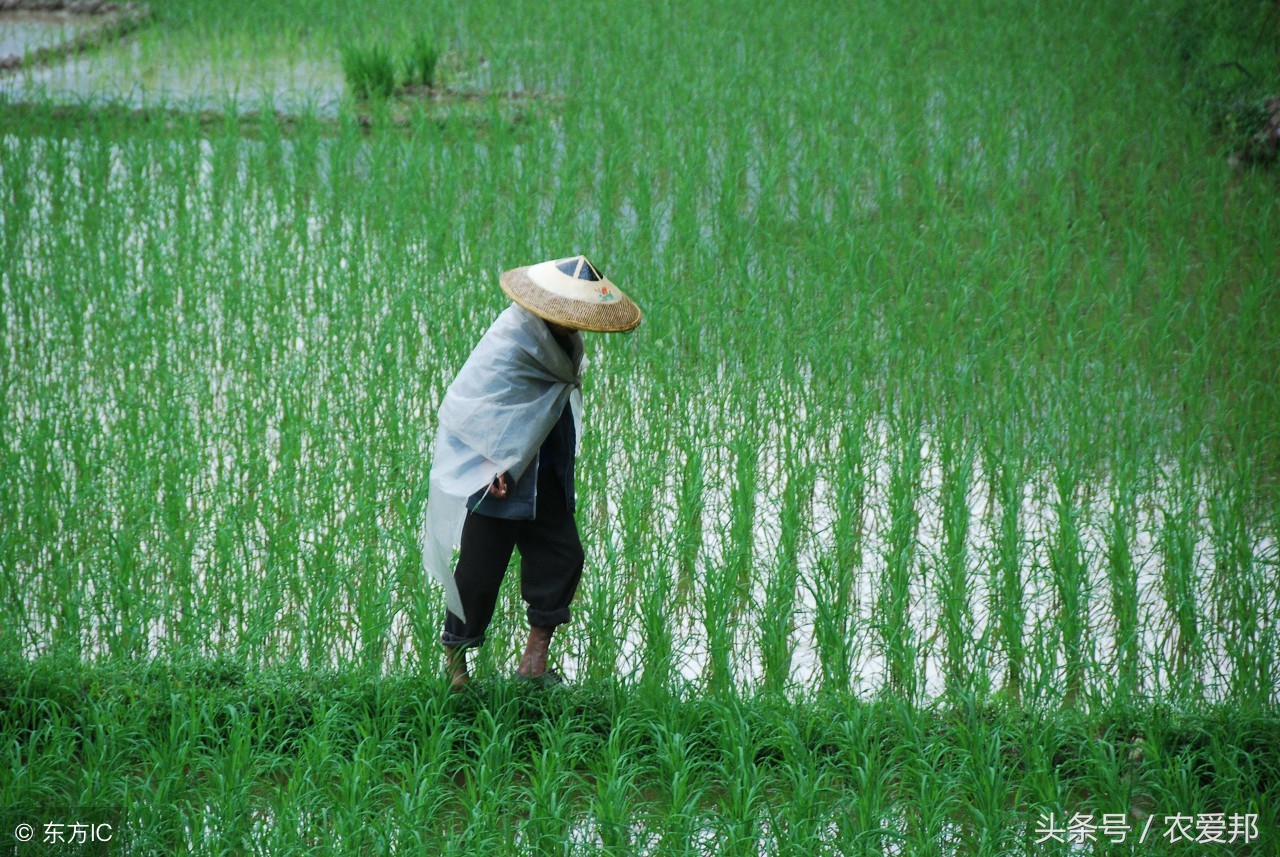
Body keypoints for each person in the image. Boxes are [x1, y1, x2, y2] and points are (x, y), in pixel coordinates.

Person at [421, 255, 642, 690]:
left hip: (547, 467)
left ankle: (533, 664)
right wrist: (490, 463)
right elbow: (471, 405)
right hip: (499, 476)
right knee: (479, 571)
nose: (577, 327)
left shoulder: (562, 343)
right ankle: (455, 668)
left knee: (563, 558)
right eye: (570, 318)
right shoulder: (511, 340)